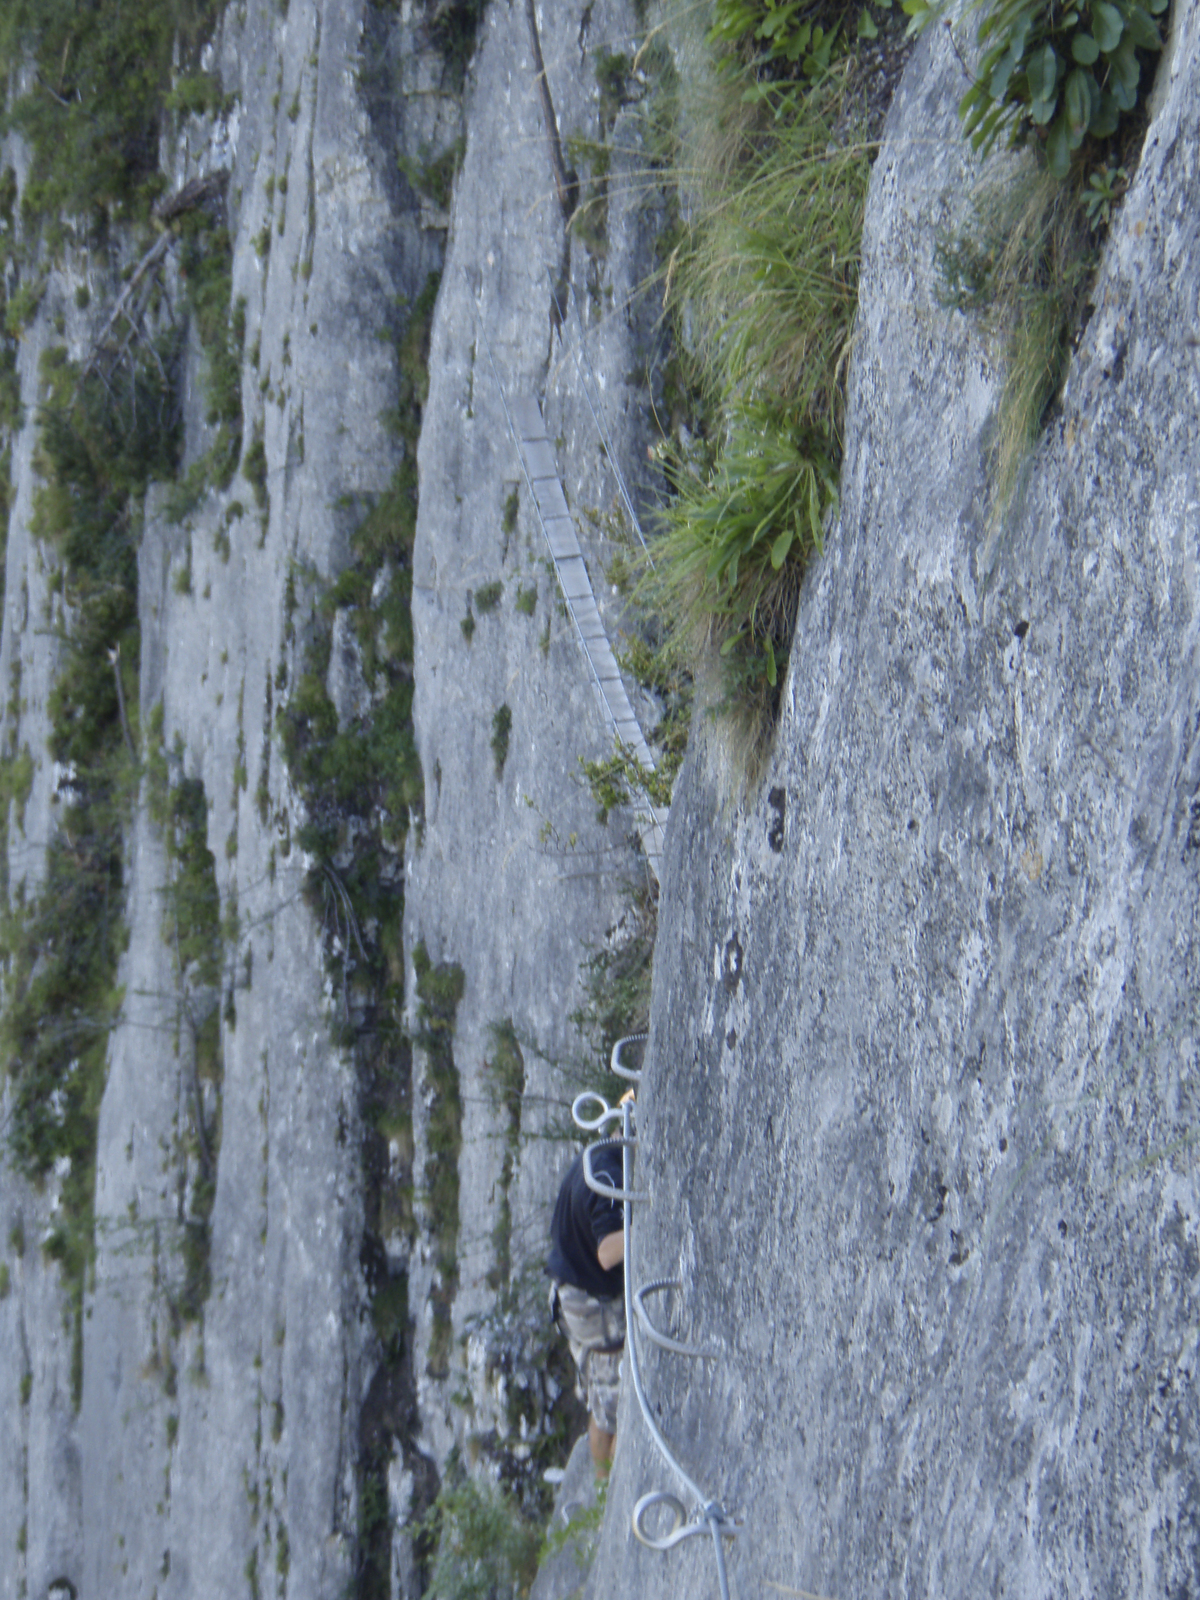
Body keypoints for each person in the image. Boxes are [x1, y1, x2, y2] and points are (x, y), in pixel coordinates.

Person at [546, 1133, 627, 1471]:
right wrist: (653, 1220)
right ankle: (605, 1486)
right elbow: (608, 1252)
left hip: (571, 1293)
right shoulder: (608, 1177)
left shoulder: (592, 1157)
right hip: (590, 1304)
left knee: (603, 1397)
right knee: (613, 1404)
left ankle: (602, 1483)